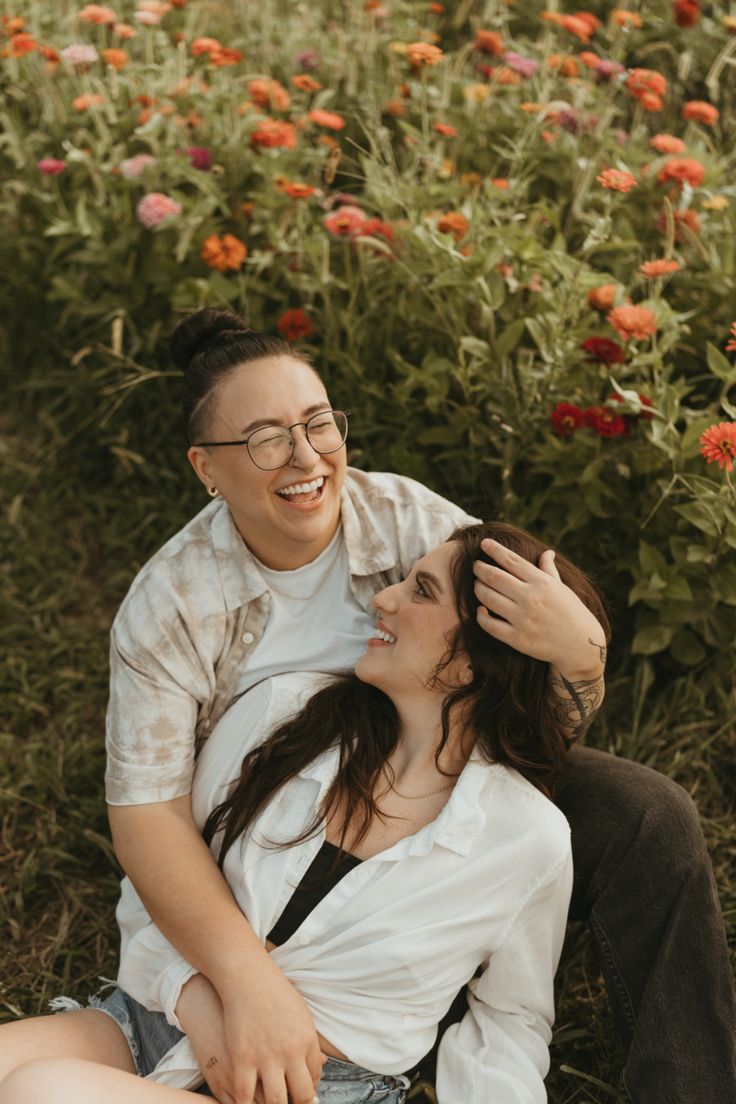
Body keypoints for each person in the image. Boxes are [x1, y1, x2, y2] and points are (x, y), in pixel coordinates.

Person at [0, 310, 732, 1104]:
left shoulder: (412, 525)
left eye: (318, 424)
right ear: (207, 470)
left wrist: (581, 651)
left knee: (647, 813)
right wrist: (234, 986)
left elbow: (507, 695)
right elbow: (152, 818)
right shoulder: (176, 606)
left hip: (440, 786)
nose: (306, 457)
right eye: (265, 439)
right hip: (272, 828)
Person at [0, 521, 609, 1104]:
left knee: (41, 1093)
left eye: (421, 590)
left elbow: (509, 1021)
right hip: (154, 1020)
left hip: (316, 1090)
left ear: (476, 660)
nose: (385, 598)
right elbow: (159, 878)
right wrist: (202, 1005)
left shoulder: (528, 838)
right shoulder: (283, 713)